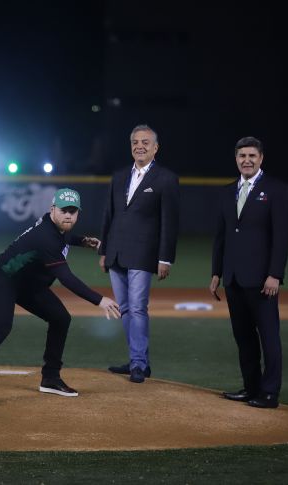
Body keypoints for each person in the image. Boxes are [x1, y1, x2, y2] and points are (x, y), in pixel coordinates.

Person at [0, 188, 120, 405]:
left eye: (73, 212)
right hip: (4, 280)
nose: (68, 216)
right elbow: (66, 278)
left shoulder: (52, 227)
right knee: (0, 327)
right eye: (64, 210)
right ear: (52, 209)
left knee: (61, 319)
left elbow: (63, 236)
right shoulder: (45, 237)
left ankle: (50, 378)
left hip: (28, 285)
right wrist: (100, 300)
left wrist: (81, 241)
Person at [210, 136, 288, 409]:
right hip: (233, 277)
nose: (246, 160)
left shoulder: (275, 190)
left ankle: (269, 393)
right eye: (242, 156)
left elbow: (281, 238)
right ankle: (251, 387)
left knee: (269, 338)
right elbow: (221, 237)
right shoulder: (227, 191)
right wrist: (216, 272)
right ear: (236, 159)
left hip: (262, 279)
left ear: (261, 158)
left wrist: (275, 274)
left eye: (252, 156)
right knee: (243, 338)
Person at [98, 124, 179, 383]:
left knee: (137, 308)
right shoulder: (119, 176)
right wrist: (103, 250)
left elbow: (170, 222)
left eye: (145, 142)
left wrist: (164, 258)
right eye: (135, 142)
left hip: (144, 255)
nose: (139, 146)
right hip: (116, 253)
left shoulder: (166, 178)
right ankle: (138, 360)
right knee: (125, 308)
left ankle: (138, 363)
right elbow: (109, 215)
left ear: (156, 148)